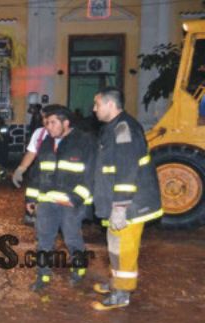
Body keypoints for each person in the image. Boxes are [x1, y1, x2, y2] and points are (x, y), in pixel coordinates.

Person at [90, 87, 163, 310]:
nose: (94, 109)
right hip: (121, 202)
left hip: (130, 204)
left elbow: (127, 169)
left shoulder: (123, 129)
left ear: (110, 105)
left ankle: (122, 293)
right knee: (115, 246)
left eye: (97, 104)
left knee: (124, 250)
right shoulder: (114, 127)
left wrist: (120, 206)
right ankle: (117, 283)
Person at [25, 105, 96, 291]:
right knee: (44, 240)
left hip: (71, 202)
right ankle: (43, 275)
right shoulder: (46, 142)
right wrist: (31, 198)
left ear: (66, 123)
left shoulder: (84, 141)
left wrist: (76, 198)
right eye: (46, 123)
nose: (48, 126)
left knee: (72, 238)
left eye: (52, 122)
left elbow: (91, 175)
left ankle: (78, 269)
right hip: (47, 201)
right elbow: (37, 173)